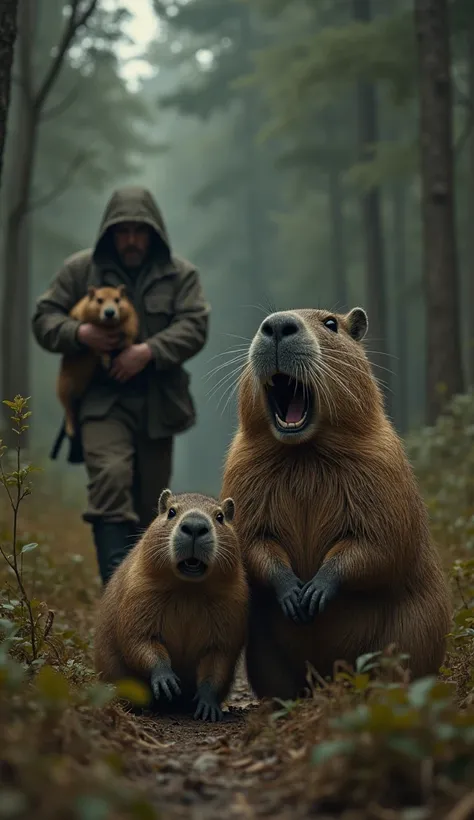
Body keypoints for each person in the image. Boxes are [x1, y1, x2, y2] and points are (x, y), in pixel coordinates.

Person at [32, 186, 210, 586]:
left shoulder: (180, 275)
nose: (131, 239)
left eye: (139, 230)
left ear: (155, 233)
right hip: (100, 402)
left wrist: (147, 351)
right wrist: (80, 333)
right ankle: (116, 595)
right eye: (122, 230)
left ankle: (145, 595)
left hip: (158, 405)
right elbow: (43, 319)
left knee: (153, 506)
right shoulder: (80, 271)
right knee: (111, 479)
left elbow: (195, 325)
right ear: (109, 232)